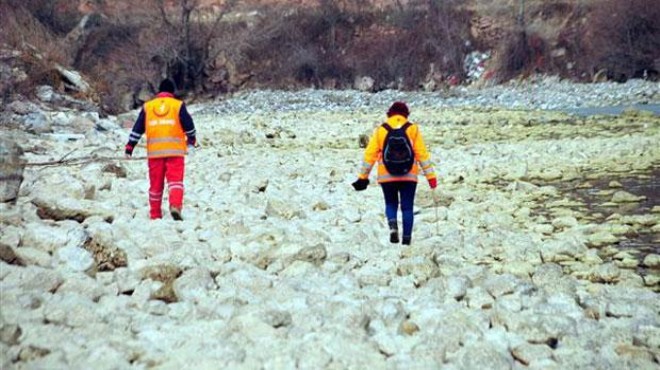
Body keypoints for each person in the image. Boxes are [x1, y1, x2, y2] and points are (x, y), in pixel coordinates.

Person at [352, 101, 437, 245]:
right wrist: (431, 177)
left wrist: (362, 177)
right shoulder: (412, 129)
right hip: (409, 175)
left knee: (391, 203)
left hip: (386, 175)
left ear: (389, 113)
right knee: (407, 207)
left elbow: (370, 155)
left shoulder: (381, 130)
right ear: (406, 114)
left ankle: (393, 227)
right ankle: (406, 240)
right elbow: (422, 153)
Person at [124, 78, 197, 221]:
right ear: (172, 92)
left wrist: (129, 147)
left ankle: (155, 214)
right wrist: (191, 141)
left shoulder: (148, 106)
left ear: (159, 91)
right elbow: (189, 125)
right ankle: (175, 206)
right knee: (175, 181)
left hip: (154, 152)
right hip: (175, 151)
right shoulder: (178, 105)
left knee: (155, 185)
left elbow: (138, 128)